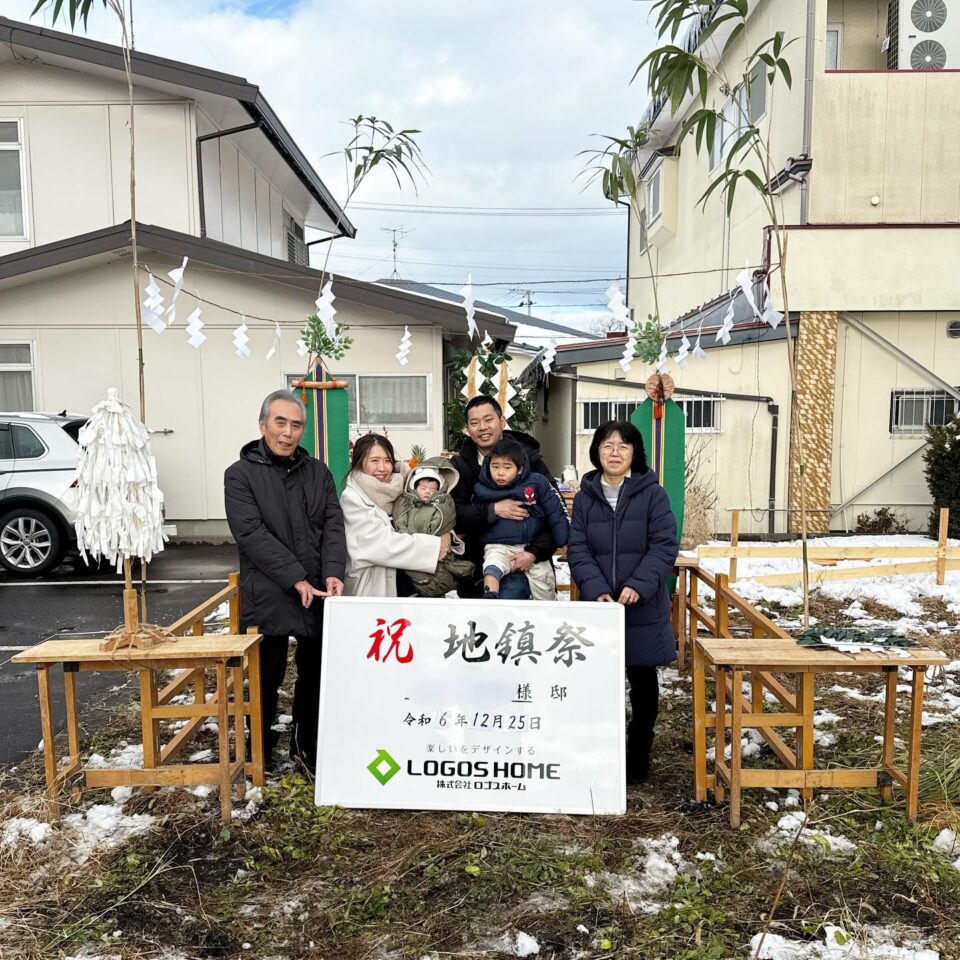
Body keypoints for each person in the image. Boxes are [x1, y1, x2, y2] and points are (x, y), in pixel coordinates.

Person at [223, 389, 346, 772]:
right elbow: (251, 534)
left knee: (314, 673)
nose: (288, 432)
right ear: (263, 426)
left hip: (317, 590)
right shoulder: (240, 475)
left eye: (296, 425)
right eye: (280, 422)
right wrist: (295, 578)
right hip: (269, 592)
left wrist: (332, 572)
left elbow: (332, 525)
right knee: (265, 676)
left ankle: (305, 748)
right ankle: (258, 750)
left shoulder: (318, 472)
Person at [566, 420, 679, 783]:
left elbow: (664, 545)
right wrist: (596, 586)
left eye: (623, 446)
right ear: (596, 451)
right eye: (607, 445)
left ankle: (638, 758)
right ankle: (603, 752)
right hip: (600, 606)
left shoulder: (652, 494)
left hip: (641, 606)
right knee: (600, 684)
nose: (614, 452)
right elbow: (578, 547)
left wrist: (638, 585)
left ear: (635, 453)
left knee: (643, 684)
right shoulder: (586, 496)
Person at [451, 395, 558, 598]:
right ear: (467, 428)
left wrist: (534, 552)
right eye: (475, 423)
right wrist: (493, 510)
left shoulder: (531, 462)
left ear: (501, 421)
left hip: (529, 561)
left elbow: (554, 513)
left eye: (488, 420)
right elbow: (455, 514)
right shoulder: (461, 466)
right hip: (477, 567)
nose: (482, 427)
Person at [341, 434, 451, 597]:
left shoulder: (404, 489)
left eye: (387, 460)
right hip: (372, 588)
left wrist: (445, 532)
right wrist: (434, 547)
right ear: (359, 463)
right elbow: (380, 544)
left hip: (411, 587)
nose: (382, 468)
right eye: (374, 461)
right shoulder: (351, 499)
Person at [472, 438, 570, 599]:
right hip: (498, 545)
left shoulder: (536, 482)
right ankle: (490, 596)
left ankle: (546, 611)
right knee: (492, 566)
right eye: (495, 467)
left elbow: (555, 511)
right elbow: (474, 516)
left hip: (531, 546)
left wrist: (565, 540)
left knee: (543, 579)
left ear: (519, 469)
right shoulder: (482, 488)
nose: (500, 472)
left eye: (507, 467)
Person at [392, 458, 474, 597]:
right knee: (423, 576)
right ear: (414, 487)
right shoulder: (406, 504)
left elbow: (446, 521)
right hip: (413, 549)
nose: (428, 492)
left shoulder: (442, 503)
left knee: (444, 571)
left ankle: (449, 588)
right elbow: (400, 524)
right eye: (423, 488)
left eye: (432, 489)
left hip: (439, 550)